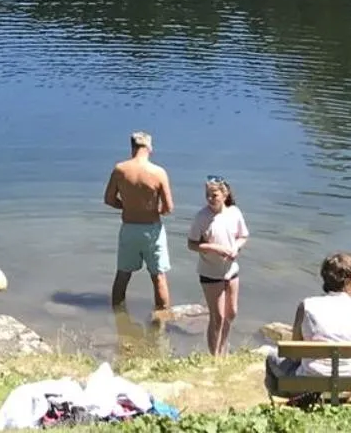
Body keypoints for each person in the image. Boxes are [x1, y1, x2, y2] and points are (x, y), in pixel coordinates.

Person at [268, 251, 351, 382]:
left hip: (313, 378)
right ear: (350, 281)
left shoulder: (307, 306)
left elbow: (296, 354)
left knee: (272, 356)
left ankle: (288, 392)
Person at [104, 131, 174, 312]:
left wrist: (127, 206)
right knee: (158, 276)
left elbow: (109, 199)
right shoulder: (158, 172)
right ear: (150, 148)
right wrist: (154, 210)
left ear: (132, 147)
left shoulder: (120, 170)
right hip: (152, 229)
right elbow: (168, 207)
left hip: (129, 228)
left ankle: (118, 317)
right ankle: (161, 320)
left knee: (123, 274)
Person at [186, 176, 249, 356]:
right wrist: (214, 248)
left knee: (232, 313)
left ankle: (223, 348)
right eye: (207, 195)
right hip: (210, 272)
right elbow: (191, 244)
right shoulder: (202, 217)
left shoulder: (234, 212)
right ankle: (214, 356)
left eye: (214, 195)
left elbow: (243, 236)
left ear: (224, 194)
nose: (210, 198)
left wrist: (236, 247)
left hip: (231, 270)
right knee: (218, 316)